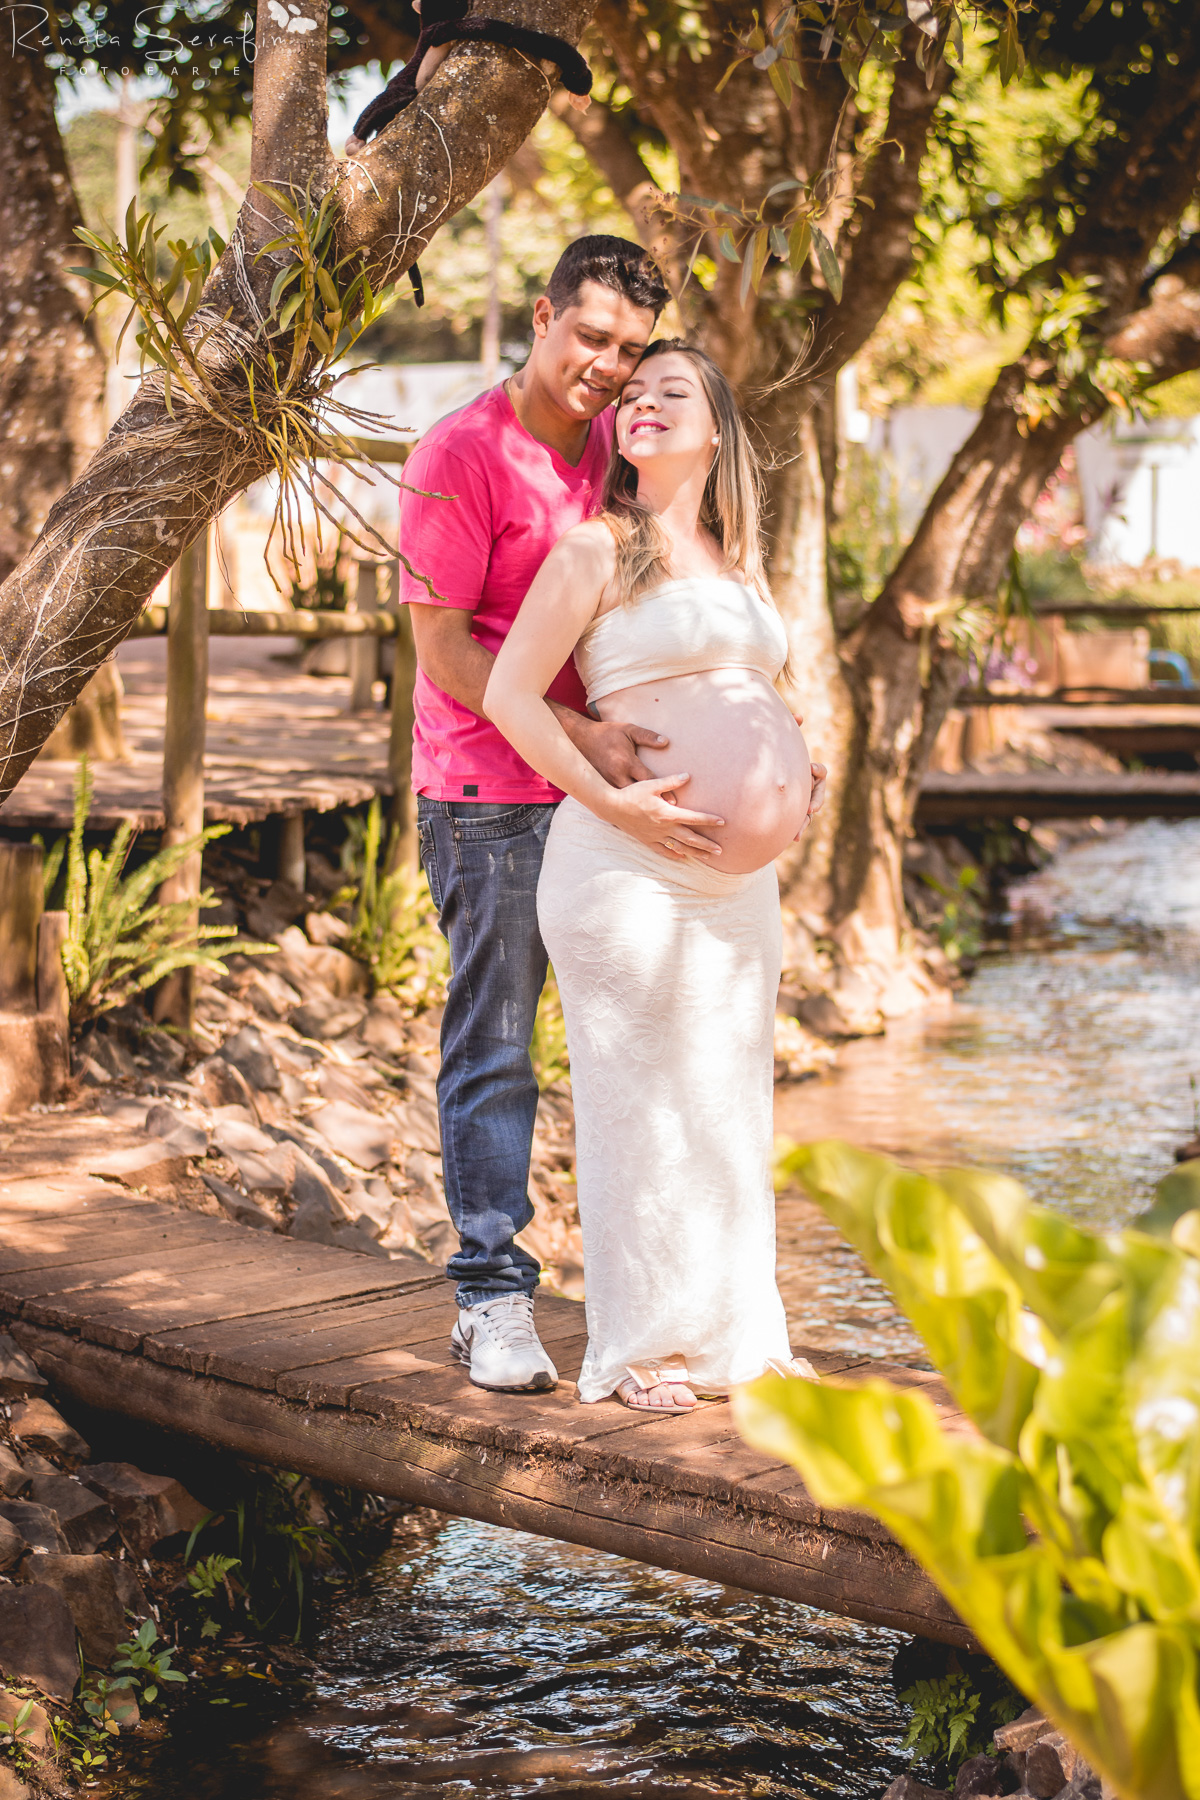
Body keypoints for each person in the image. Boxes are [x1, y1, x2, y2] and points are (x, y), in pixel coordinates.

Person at [484, 339, 826, 1413]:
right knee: (642, 1105)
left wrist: (793, 757)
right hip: (624, 864)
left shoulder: (737, 558)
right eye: (630, 395)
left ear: (715, 427)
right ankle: (640, 1347)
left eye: (669, 392)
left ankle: (737, 1337)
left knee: (728, 1100)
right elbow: (511, 695)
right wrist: (610, 798)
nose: (640, 404)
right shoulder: (596, 549)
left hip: (734, 889)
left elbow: (745, 685)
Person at [398, 236, 671, 1393]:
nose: (608, 366)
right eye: (593, 336)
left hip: (603, 798)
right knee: (498, 1047)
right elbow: (447, 650)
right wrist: (583, 749)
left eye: (632, 349)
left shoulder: (622, 445)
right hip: (488, 801)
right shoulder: (460, 451)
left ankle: (645, 1297)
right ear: (545, 314)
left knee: (632, 1045)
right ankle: (491, 1299)